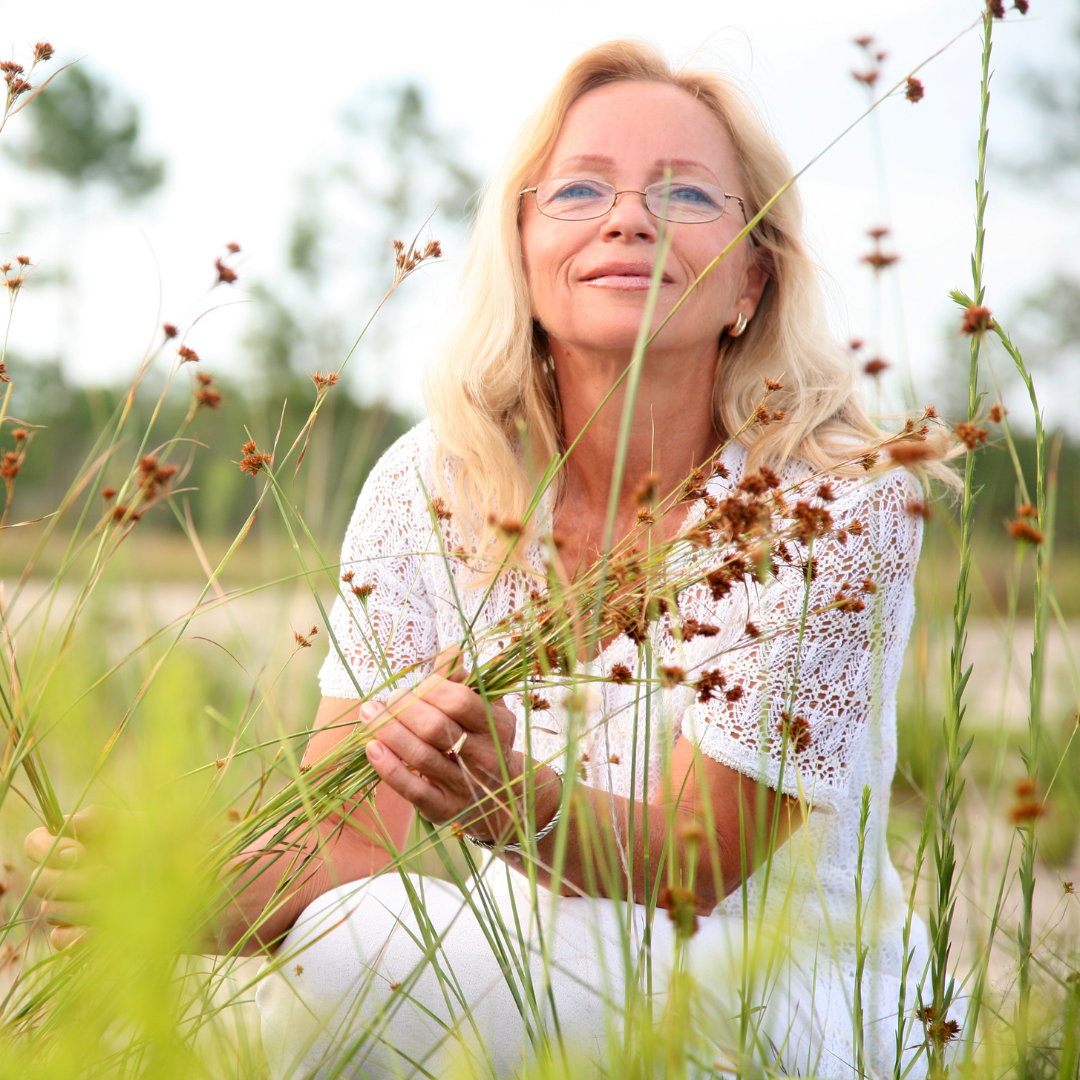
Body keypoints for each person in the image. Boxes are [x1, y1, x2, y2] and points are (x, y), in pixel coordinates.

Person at [28, 40, 934, 1080]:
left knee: (348, 961)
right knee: (293, 961)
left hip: (787, 989)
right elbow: (352, 836)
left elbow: (702, 862)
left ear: (751, 278)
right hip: (513, 967)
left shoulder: (831, 502)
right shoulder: (435, 482)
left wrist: (513, 798)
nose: (628, 217)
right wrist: (174, 892)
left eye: (685, 195)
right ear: (520, 250)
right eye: (582, 188)